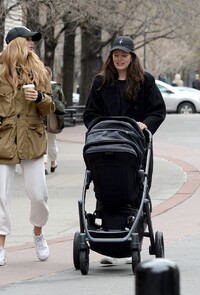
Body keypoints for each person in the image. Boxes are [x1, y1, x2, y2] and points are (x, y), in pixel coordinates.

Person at [0, 26, 55, 266]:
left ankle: (38, 233)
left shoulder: (39, 72)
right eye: (27, 40)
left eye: (33, 40)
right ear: (13, 43)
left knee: (39, 195)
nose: (31, 43)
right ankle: (0, 247)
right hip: (3, 140)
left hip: (32, 139)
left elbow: (50, 107)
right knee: (2, 196)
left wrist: (39, 98)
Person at [83, 35, 166, 265]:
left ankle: (134, 241)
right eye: (116, 55)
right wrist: (100, 128)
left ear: (132, 57)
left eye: (124, 55)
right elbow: (90, 114)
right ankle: (108, 244)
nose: (120, 59)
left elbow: (158, 110)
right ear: (111, 57)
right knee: (106, 185)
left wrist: (144, 124)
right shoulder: (101, 82)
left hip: (136, 145)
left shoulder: (145, 81)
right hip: (106, 144)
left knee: (136, 188)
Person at [44, 66, 66, 174]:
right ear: (51, 74)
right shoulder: (56, 87)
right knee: (52, 141)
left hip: (40, 118)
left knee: (42, 142)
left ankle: (43, 165)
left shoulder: (38, 86)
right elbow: (61, 103)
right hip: (52, 118)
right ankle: (53, 162)